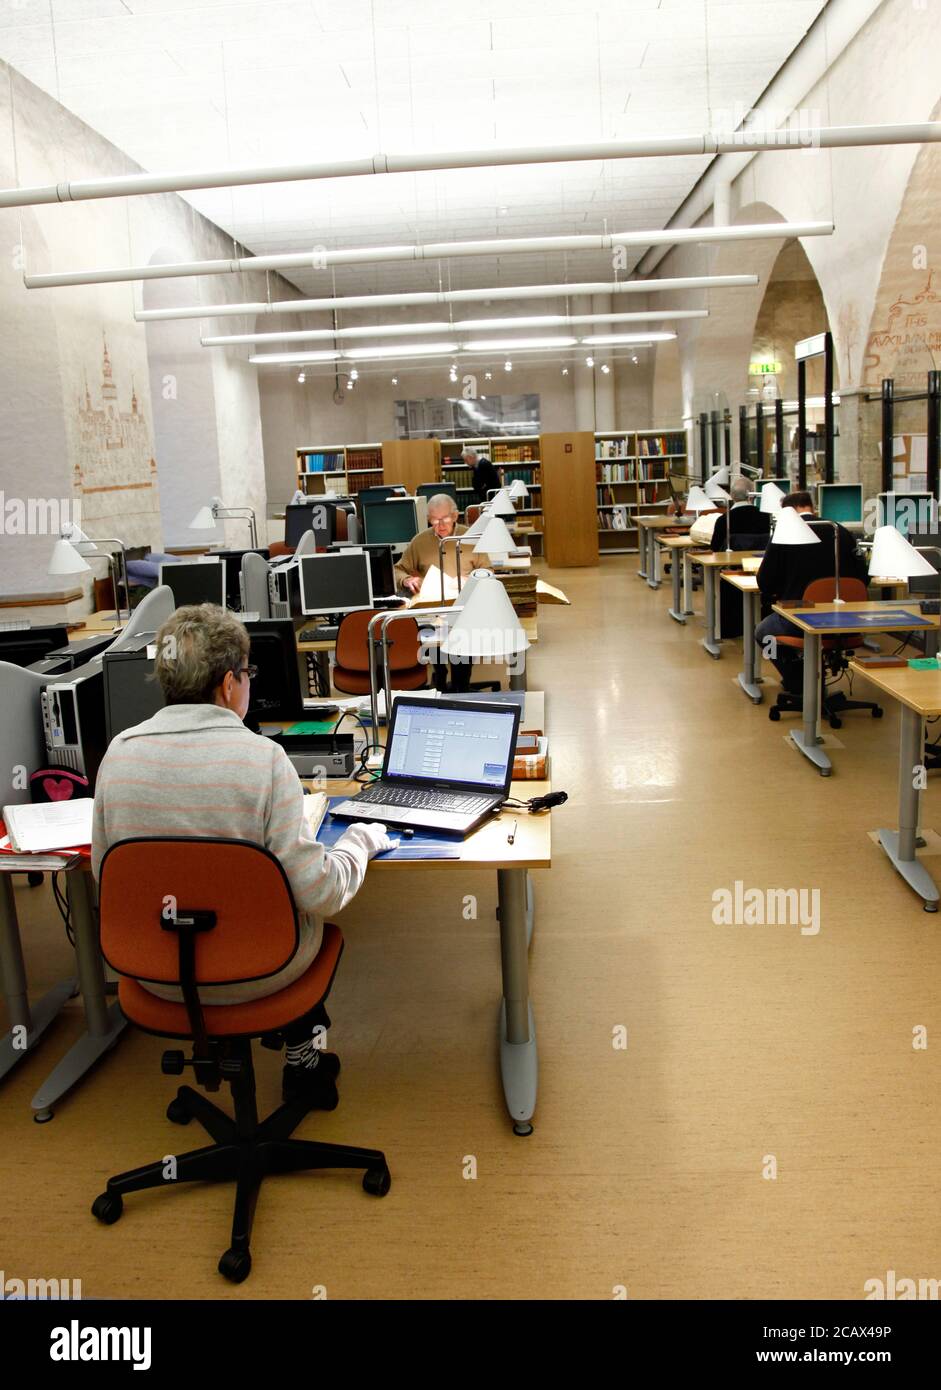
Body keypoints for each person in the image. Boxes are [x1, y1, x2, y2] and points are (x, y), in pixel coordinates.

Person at [91, 603, 393, 1107]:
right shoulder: (263, 759)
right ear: (230, 684)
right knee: (301, 916)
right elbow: (320, 894)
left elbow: (108, 874)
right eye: (247, 674)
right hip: (262, 969)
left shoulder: (118, 752)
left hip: (157, 974)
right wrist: (360, 841)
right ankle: (304, 1062)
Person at [755, 491, 868, 692]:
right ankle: (807, 677)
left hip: (799, 622)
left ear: (787, 512)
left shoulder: (784, 534)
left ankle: (797, 678)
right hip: (847, 622)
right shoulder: (840, 531)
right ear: (812, 508)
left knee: (763, 633)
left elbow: (765, 582)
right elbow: (863, 578)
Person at [393, 493, 487, 595]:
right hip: (431, 601)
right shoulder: (419, 541)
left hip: (467, 597)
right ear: (429, 519)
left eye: (445, 518)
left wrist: (469, 579)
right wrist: (407, 580)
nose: (441, 525)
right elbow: (396, 571)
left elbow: (488, 571)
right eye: (435, 520)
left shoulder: (470, 537)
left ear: (455, 516)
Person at [708, 477, 772, 552]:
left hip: (730, 563)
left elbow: (715, 550)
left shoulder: (723, 520)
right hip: (758, 563)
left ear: (731, 495)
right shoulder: (767, 517)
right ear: (752, 495)